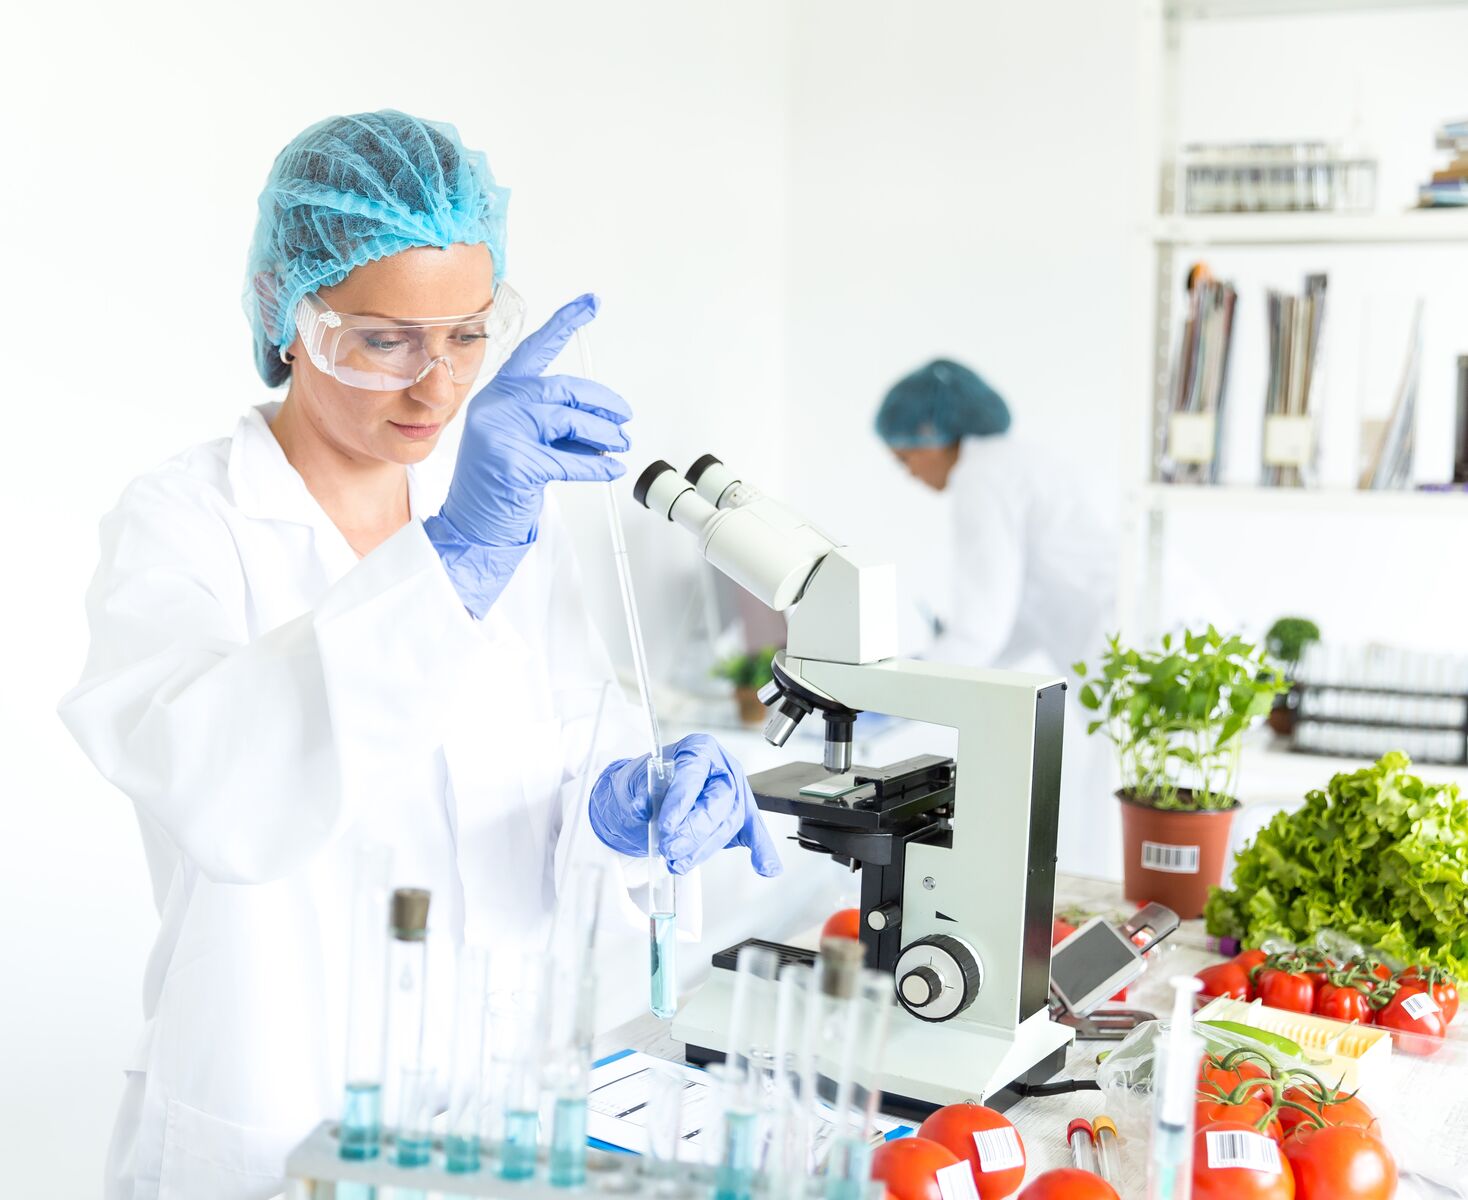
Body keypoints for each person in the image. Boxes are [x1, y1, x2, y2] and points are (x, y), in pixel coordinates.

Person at [59, 110, 780, 1200]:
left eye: (469, 334)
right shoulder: (184, 523)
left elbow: (565, 738)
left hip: (498, 1103)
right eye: (387, 341)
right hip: (279, 1116)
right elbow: (220, 788)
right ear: (289, 316)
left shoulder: (499, 513)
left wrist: (619, 803)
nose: (439, 387)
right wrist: (453, 560)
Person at [874, 358, 1119, 874]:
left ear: (931, 433)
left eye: (904, 458)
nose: (909, 473)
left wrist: (887, 691)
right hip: (1144, 656)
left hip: (1141, 663)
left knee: (1115, 831)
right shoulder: (1018, 464)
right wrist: (924, 665)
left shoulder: (982, 477)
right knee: (1117, 827)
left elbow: (977, 633)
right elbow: (1012, 627)